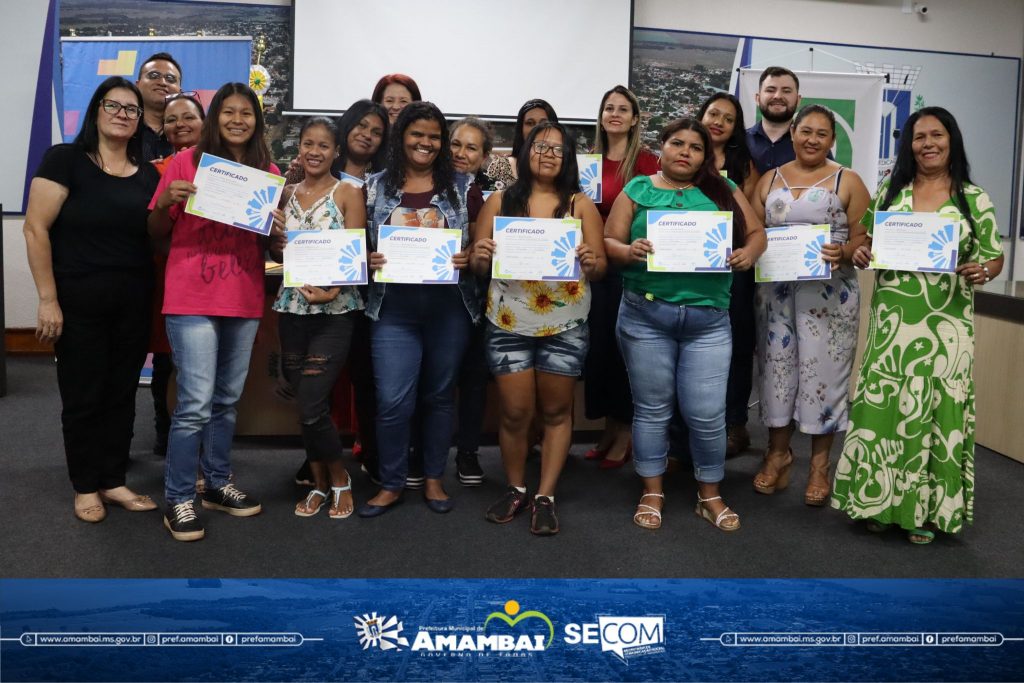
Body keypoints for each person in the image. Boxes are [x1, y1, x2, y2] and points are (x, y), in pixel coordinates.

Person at [832, 107, 1004, 544]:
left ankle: (925, 512)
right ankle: (879, 504)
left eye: (936, 135)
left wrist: (984, 269)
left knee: (935, 414)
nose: (928, 143)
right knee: (885, 410)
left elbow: (992, 256)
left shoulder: (973, 197)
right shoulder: (893, 192)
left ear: (952, 140)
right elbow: (862, 240)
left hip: (946, 325)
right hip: (893, 322)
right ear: (908, 145)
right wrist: (859, 252)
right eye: (918, 136)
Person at [604, 118, 765, 531]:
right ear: (662, 146)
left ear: (705, 155)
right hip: (645, 316)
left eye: (696, 146)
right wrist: (629, 249)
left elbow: (757, 234)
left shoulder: (722, 190)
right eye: (678, 143)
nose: (685, 152)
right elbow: (609, 242)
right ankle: (652, 491)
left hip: (708, 320)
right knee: (653, 410)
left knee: (708, 414)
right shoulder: (637, 189)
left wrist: (748, 254)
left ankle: (709, 494)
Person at [148, 83, 284, 541]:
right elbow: (154, 230)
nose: (238, 119)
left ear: (256, 122)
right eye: (229, 112)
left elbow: (268, 244)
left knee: (227, 401)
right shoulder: (184, 163)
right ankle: (179, 497)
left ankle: (218, 484)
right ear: (214, 119)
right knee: (193, 405)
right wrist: (166, 202)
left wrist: (279, 231)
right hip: (190, 297)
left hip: (243, 298)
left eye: (247, 113)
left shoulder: (267, 172)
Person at [23, 76, 161, 522]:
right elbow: (35, 228)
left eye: (132, 109)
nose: (123, 114)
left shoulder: (148, 175)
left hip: (132, 302)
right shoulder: (65, 160)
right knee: (83, 395)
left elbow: (155, 237)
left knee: (121, 394)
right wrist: (48, 300)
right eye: (114, 105)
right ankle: (85, 485)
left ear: (141, 120)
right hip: (77, 301)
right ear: (96, 110)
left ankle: (113, 478)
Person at [472, 121, 607, 535]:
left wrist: (590, 261)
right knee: (514, 413)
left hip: (564, 323)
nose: (548, 155)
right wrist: (480, 253)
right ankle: (516, 487)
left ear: (568, 159)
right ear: (526, 151)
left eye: (558, 149)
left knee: (555, 412)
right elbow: (479, 268)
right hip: (509, 321)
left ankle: (545, 494)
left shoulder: (580, 205)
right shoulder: (499, 201)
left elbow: (600, 269)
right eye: (541, 147)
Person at [359, 102, 484, 517]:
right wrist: (368, 258)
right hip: (393, 309)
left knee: (438, 396)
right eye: (417, 134)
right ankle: (392, 482)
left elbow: (481, 249)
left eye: (434, 137)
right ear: (401, 137)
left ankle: (433, 478)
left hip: (448, 308)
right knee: (393, 399)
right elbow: (356, 244)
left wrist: (468, 256)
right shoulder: (374, 186)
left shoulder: (464, 188)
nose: (425, 143)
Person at [749, 104, 870, 507]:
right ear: (794, 134)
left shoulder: (847, 180)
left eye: (821, 133)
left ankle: (820, 467)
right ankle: (778, 455)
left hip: (829, 296)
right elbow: (751, 231)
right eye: (806, 131)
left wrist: (846, 250)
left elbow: (864, 240)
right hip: (775, 294)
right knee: (776, 373)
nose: (812, 139)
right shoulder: (769, 179)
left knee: (825, 374)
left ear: (832, 139)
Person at [270, 117, 365, 519]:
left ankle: (340, 478)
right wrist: (274, 241)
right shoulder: (286, 192)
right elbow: (280, 256)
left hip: (335, 310)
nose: (314, 151)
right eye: (308, 143)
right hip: (292, 309)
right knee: (303, 404)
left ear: (336, 151)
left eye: (323, 146)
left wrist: (333, 289)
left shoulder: (348, 192)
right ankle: (319, 482)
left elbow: (357, 253)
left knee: (312, 402)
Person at [291, 100, 389, 488]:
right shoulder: (304, 175)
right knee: (317, 383)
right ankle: (316, 457)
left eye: (377, 130)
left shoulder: (388, 179)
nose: (367, 134)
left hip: (367, 290)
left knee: (367, 377)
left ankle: (372, 451)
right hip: (313, 289)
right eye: (361, 126)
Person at [729, 66, 805, 456]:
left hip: (793, 266)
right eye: (770, 89)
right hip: (742, 259)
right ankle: (736, 424)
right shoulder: (738, 143)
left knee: (786, 348)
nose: (778, 96)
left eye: (786, 90)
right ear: (757, 98)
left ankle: (784, 436)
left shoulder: (808, 145)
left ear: (797, 100)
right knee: (740, 343)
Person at [583, 85, 660, 469]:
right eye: (608, 107)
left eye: (623, 109)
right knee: (599, 350)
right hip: (592, 268)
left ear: (635, 119)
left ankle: (626, 433)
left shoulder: (646, 164)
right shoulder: (587, 163)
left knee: (623, 351)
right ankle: (609, 429)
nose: (615, 114)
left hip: (628, 269)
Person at [698, 92, 762, 460]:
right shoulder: (683, 154)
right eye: (713, 113)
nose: (718, 121)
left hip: (732, 266)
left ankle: (735, 423)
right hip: (687, 269)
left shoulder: (744, 167)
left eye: (728, 118)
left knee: (736, 345)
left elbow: (748, 220)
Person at [449, 116, 497, 485]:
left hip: (475, 299)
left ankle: (467, 451)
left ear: (484, 157)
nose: (461, 154)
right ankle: (422, 452)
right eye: (455, 144)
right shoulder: (422, 185)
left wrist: (477, 253)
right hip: (433, 298)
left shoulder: (493, 197)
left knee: (474, 377)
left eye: (471, 147)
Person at [484, 98, 558, 191]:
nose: (536, 129)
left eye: (544, 123)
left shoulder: (562, 168)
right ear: (520, 129)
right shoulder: (501, 166)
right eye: (530, 123)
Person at [135, 52, 183, 162]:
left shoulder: (189, 132)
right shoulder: (122, 126)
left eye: (170, 79)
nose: (162, 82)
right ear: (137, 85)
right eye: (154, 76)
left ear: (180, 92)